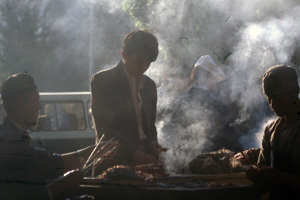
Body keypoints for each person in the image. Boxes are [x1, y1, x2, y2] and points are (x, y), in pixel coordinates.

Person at [0, 73, 95, 200]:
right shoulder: (10, 142)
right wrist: (64, 183)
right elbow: (48, 166)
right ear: (22, 104)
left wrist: (94, 151)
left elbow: (47, 161)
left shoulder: (9, 134)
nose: (39, 107)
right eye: (36, 100)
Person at [91, 29, 165, 171]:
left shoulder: (149, 86)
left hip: (146, 161)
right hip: (114, 162)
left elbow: (150, 126)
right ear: (124, 54)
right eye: (139, 61)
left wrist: (152, 143)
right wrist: (135, 153)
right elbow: (105, 128)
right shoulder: (103, 81)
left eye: (148, 62)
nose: (144, 67)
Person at [160, 55, 237, 172]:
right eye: (215, 80)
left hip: (181, 165)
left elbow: (166, 132)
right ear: (210, 76)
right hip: (212, 167)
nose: (215, 85)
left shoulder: (176, 103)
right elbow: (228, 136)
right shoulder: (218, 104)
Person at [246, 65, 300, 200]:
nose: (271, 103)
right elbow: (262, 170)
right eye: (268, 97)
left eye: (275, 97)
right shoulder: (270, 130)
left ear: (292, 94)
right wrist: (255, 174)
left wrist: (283, 178)